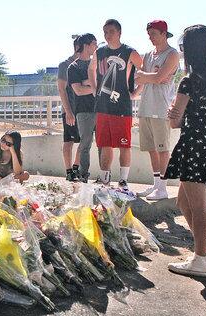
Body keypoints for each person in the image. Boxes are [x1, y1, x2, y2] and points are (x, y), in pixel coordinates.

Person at [165, 25, 206, 277]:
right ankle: (204, 252)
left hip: (192, 146)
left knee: (198, 207)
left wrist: (172, 113)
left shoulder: (189, 81)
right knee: (183, 200)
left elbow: (174, 121)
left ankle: (200, 256)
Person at [89, 19, 143, 190]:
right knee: (105, 143)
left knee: (123, 144)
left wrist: (136, 92)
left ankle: (123, 180)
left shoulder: (129, 51)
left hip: (122, 107)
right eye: (105, 31)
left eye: (111, 31)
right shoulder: (100, 51)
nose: (107, 34)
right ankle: (105, 180)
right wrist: (94, 88)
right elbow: (91, 69)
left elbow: (144, 72)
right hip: (103, 106)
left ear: (119, 32)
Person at [135, 20, 180, 200]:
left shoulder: (172, 54)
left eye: (153, 33)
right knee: (151, 148)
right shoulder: (148, 55)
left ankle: (163, 187)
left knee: (162, 148)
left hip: (161, 108)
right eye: (149, 34)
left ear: (163, 33)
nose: (150, 37)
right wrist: (151, 78)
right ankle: (155, 185)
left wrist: (152, 77)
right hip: (145, 106)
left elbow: (161, 77)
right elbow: (140, 78)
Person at [68, 33, 99, 183]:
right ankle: (83, 175)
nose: (96, 46)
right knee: (85, 144)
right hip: (84, 112)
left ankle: (105, 175)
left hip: (101, 110)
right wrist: (95, 87)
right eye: (94, 43)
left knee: (103, 144)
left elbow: (103, 83)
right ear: (86, 45)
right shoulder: (73, 67)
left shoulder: (98, 64)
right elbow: (78, 90)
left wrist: (88, 83)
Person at [57, 37, 82, 182]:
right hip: (70, 109)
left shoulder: (87, 64)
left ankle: (76, 168)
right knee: (69, 140)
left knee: (85, 140)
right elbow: (61, 88)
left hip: (85, 109)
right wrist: (68, 111)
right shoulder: (65, 65)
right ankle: (69, 171)